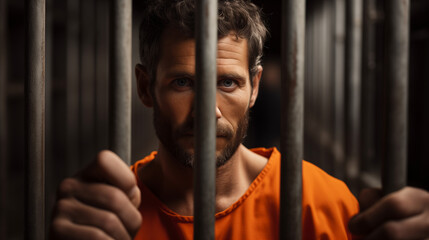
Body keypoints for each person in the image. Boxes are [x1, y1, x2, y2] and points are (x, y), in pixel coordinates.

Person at [50, 0, 429, 239]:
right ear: (146, 88)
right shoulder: (108, 214)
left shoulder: (322, 204)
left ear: (255, 88)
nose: (207, 110)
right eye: (182, 82)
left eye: (228, 82)